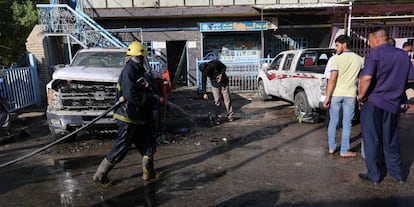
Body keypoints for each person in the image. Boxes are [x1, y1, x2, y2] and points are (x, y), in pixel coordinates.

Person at [93, 41, 160, 187]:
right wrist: (146, 98)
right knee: (122, 147)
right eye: (143, 57)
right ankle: (100, 174)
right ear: (140, 56)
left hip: (137, 116)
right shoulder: (130, 70)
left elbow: (142, 87)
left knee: (148, 144)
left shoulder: (137, 69)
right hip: (128, 115)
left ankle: (149, 173)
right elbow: (130, 95)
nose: (143, 60)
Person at [358, 28, 414, 184]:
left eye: (369, 40)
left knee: (372, 140)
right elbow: (411, 79)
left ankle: (374, 175)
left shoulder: (374, 55)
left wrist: (361, 96)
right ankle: (398, 174)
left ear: (376, 39)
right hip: (393, 103)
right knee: (391, 139)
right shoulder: (403, 55)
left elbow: (367, 78)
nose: (369, 44)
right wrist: (397, 88)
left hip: (374, 102)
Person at [323, 35, 364, 157]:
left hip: (336, 95)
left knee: (333, 121)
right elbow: (361, 79)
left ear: (344, 44)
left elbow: (332, 80)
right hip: (350, 95)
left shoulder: (336, 59)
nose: (335, 48)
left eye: (337, 45)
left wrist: (327, 97)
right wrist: (360, 96)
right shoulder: (360, 60)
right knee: (347, 123)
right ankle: (344, 150)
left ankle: (331, 147)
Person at [200, 59, 234, 124]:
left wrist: (221, 74)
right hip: (215, 85)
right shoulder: (204, 71)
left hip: (224, 83)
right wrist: (204, 93)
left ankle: (230, 116)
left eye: (206, 71)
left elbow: (224, 67)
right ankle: (218, 118)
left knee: (227, 100)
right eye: (204, 72)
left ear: (208, 67)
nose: (205, 73)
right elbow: (203, 81)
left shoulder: (215, 63)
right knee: (217, 101)